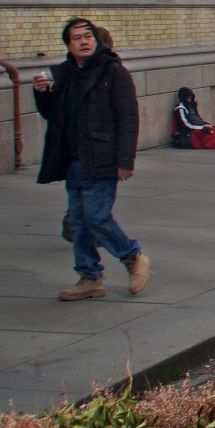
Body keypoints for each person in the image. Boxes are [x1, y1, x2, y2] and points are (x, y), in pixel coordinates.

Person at [33, 18, 150, 301]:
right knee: (78, 222)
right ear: (69, 46)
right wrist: (42, 95)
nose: (84, 41)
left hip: (102, 158)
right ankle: (90, 277)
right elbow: (55, 116)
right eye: (77, 38)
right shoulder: (65, 75)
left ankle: (132, 256)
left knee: (97, 218)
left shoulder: (113, 71)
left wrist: (125, 159)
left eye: (88, 36)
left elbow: (128, 117)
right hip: (74, 160)